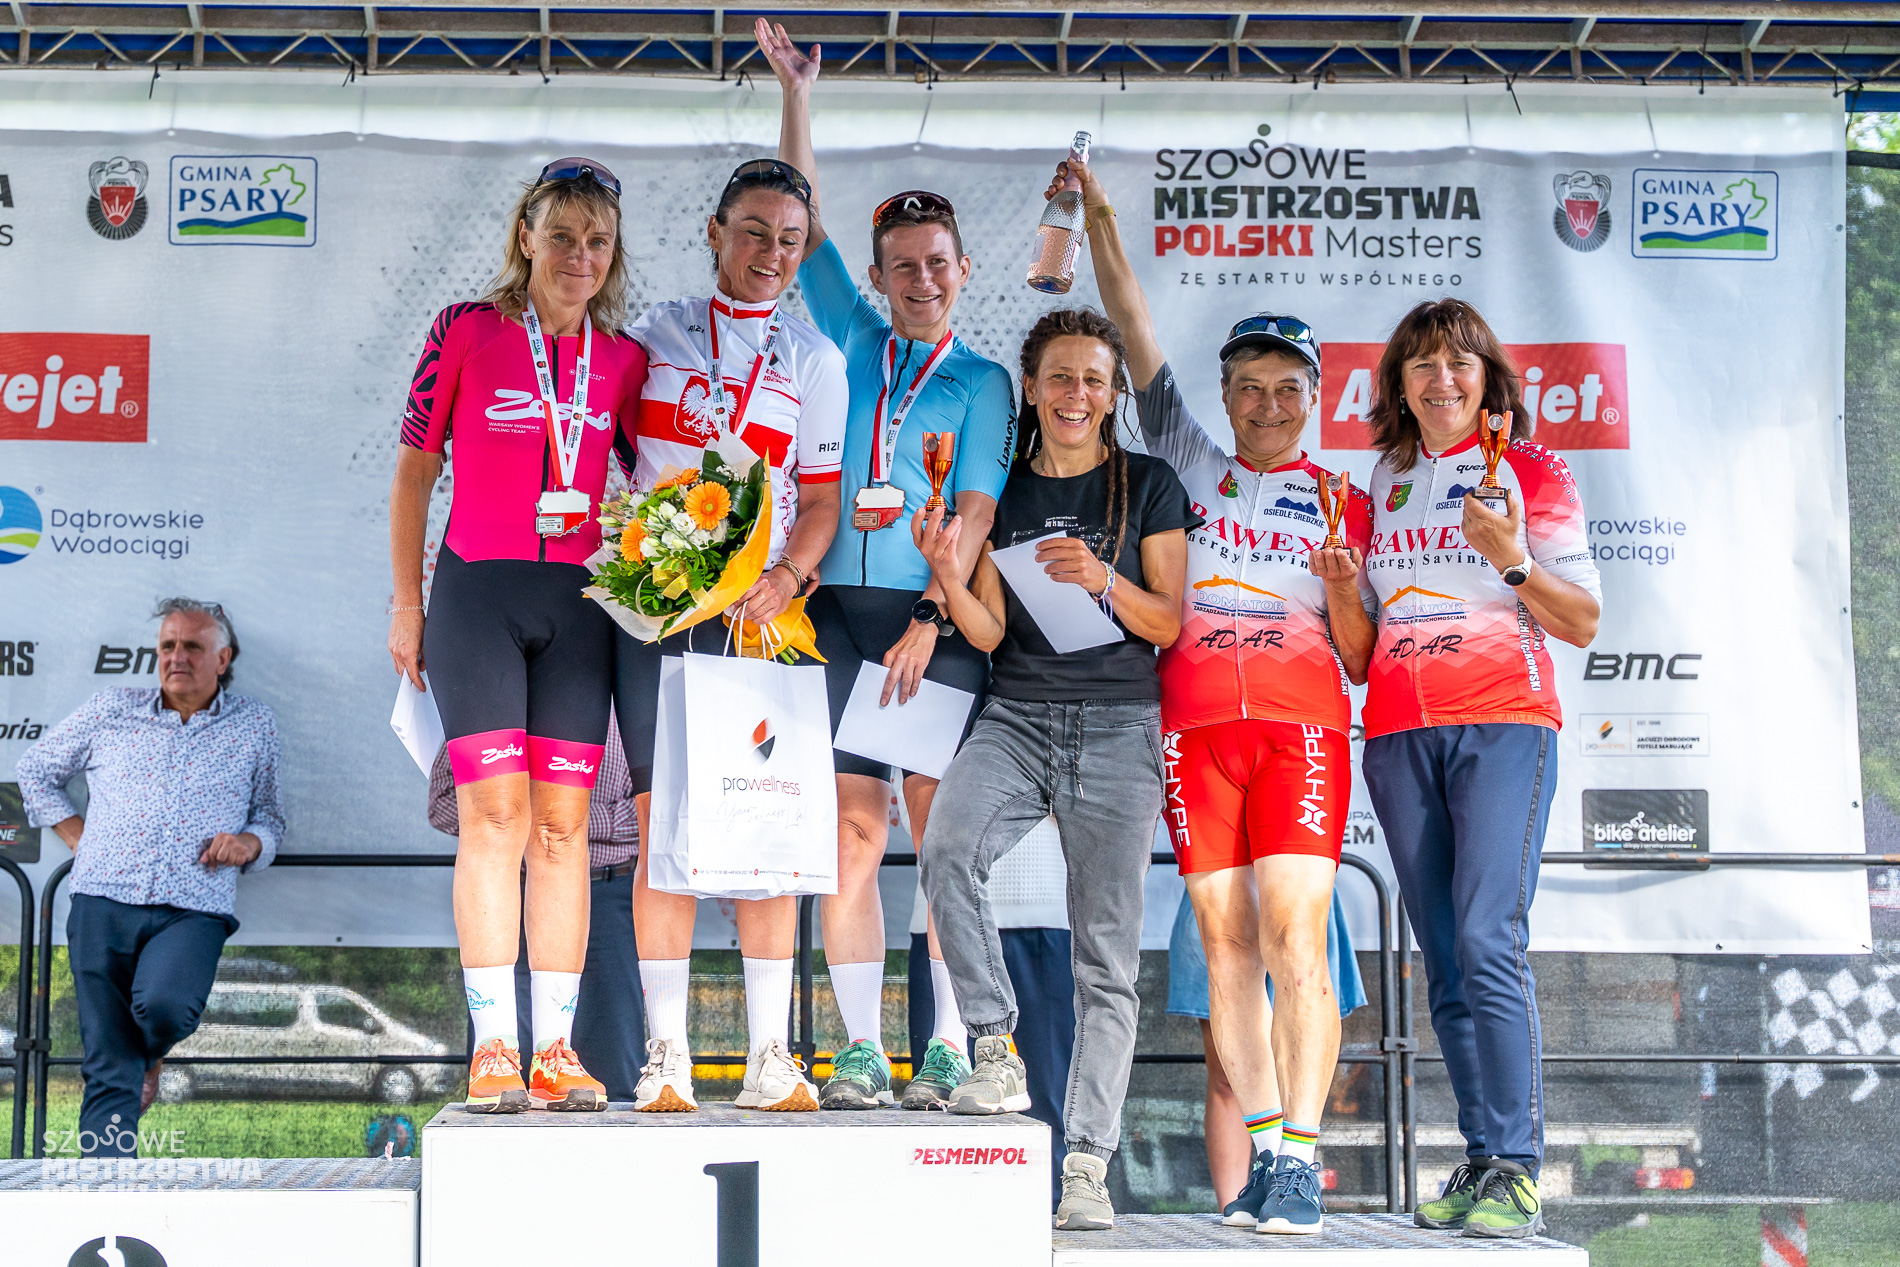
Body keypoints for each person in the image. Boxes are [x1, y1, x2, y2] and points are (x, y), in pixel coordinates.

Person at [1068, 154, 1372, 1235]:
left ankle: (1301, 1159)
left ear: (1314, 397)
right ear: (1227, 392)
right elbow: (1132, 322)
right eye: (1249, 385)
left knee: (1293, 937)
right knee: (1226, 946)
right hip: (1194, 734)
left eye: (1288, 388)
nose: (1268, 404)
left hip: (1298, 732)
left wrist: (1344, 590)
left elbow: (1361, 656)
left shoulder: (1343, 500)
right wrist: (1097, 211)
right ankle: (1271, 1158)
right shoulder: (1188, 458)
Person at [759, 19, 1018, 1112]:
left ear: (964, 271)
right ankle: (862, 1048)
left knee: (939, 834)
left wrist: (932, 611)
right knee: (851, 833)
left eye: (937, 264)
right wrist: (798, 98)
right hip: (835, 617)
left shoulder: (986, 381)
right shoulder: (852, 339)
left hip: (927, 617)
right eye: (902, 266)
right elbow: (800, 217)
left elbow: (976, 509)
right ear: (876, 276)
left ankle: (948, 1045)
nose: (922, 280)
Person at [916, 308, 1195, 1231]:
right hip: (1018, 712)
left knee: (1105, 958)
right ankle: (994, 1047)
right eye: (1061, 377)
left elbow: (1169, 623)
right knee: (947, 849)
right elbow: (989, 628)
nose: (1078, 394)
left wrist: (1103, 580)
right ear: (1031, 388)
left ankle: (1086, 1164)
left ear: (1113, 394)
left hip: (1118, 725)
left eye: (1094, 379)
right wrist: (945, 573)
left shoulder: (1148, 483)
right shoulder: (1003, 487)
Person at [388, 157, 647, 1113]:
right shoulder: (466, 328)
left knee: (564, 829)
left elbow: (654, 478)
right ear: (526, 238)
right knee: (494, 816)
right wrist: (406, 603)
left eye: (598, 240)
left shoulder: (626, 361)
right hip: (477, 599)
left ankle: (556, 1051)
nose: (581, 255)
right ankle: (495, 1044)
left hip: (580, 608)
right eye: (563, 235)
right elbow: (415, 470)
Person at [1357, 299, 1601, 1239]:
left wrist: (1512, 561)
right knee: (1446, 956)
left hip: (1503, 722)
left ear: (1488, 378)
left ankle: (1520, 1167)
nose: (1441, 379)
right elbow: (1363, 638)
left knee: (1489, 936)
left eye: (1459, 362)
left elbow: (1582, 620)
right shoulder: (1384, 478)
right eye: (1421, 364)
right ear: (1398, 385)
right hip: (1398, 731)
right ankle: (1484, 1155)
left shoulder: (1532, 469)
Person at [617, 156, 846, 1114]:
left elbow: (822, 500)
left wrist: (787, 574)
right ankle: (666, 1053)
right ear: (714, 232)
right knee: (659, 825)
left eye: (790, 240)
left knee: (767, 825)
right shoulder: (652, 334)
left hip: (762, 619)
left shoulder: (816, 359)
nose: (771, 253)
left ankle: (768, 1056)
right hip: (659, 613)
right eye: (754, 232)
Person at [15, 599, 283, 1158]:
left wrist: (249, 843)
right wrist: (78, 837)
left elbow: (270, 817)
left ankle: (152, 1054)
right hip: (100, 901)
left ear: (223, 658)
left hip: (194, 906)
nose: (176, 657)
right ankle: (106, 1184)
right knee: (108, 1063)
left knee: (165, 1006)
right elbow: (35, 770)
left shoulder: (254, 724)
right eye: (167, 646)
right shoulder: (112, 708)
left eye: (192, 646)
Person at [429, 708, 645, 1100]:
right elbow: (444, 802)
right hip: (511, 900)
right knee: (506, 1058)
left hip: (610, 894)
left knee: (616, 1057)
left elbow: (654, 812)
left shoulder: (624, 704)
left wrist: (554, 819)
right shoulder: (499, 702)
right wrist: (514, 817)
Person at [907, 815, 1075, 1203]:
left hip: (1047, 908)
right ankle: (944, 1210)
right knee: (939, 1092)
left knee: (1049, 1098)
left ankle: (1051, 1216)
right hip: (943, 922)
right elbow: (916, 804)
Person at [1164, 890, 1365, 1210]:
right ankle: (1239, 1202)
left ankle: (1293, 1183)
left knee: (1299, 1070)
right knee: (1227, 1079)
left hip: (1296, 886)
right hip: (1222, 890)